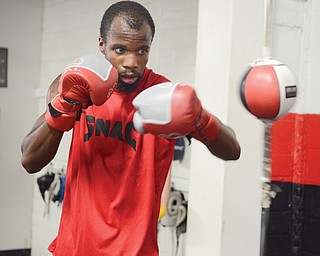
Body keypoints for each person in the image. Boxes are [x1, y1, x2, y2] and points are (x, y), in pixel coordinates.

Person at [21, 1, 241, 255]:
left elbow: (232, 151)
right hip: (75, 248)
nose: (131, 62)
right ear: (101, 44)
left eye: (141, 51)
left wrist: (201, 119)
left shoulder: (165, 98)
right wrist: (65, 105)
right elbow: (30, 161)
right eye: (120, 49)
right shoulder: (75, 85)